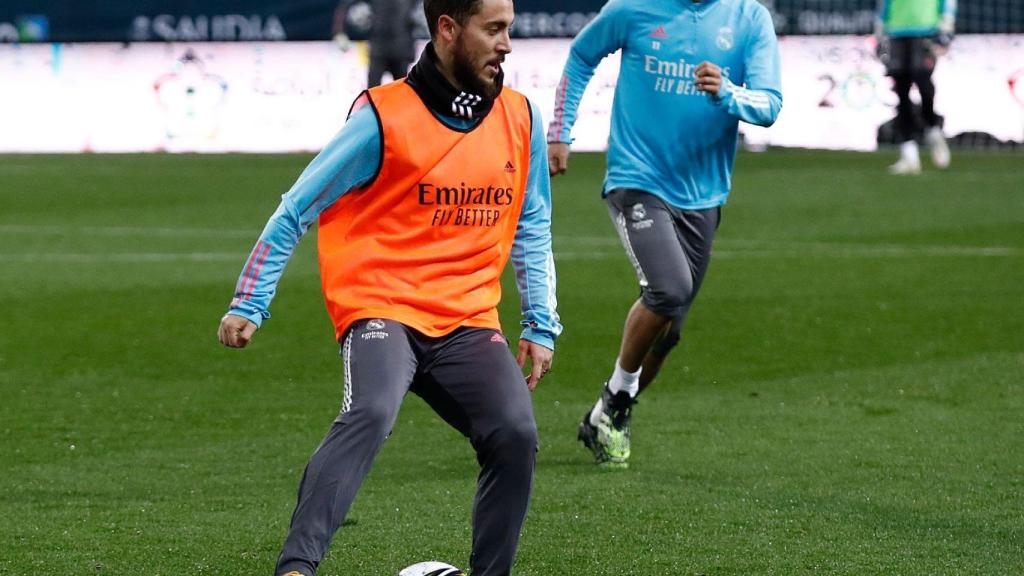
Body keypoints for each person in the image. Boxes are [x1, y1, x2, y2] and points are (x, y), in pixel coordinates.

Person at [218, 1, 561, 574]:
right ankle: (297, 567)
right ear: (449, 29)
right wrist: (250, 301)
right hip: (382, 304)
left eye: (510, 30)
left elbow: (532, 221)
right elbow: (296, 208)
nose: (508, 45)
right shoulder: (383, 117)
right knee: (372, 411)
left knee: (516, 432)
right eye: (495, 29)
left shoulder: (520, 116)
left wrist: (540, 321)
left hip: (468, 318)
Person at [547, 0, 781, 468]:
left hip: (704, 194)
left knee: (669, 332)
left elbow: (770, 105)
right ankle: (616, 399)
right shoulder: (632, 8)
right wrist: (560, 129)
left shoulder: (748, 18)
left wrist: (728, 92)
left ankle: (610, 412)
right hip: (637, 179)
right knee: (668, 288)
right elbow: (581, 54)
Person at [876, 0, 955, 174]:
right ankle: (909, 155)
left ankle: (933, 129)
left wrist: (946, 28)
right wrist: (880, 30)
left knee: (924, 85)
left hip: (927, 31)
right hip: (896, 31)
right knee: (901, 93)